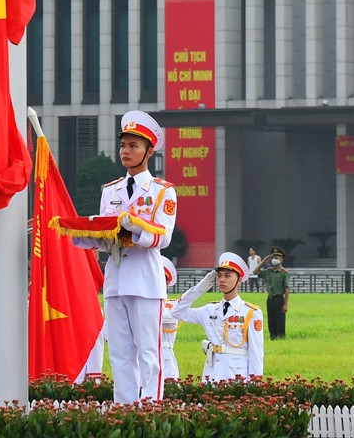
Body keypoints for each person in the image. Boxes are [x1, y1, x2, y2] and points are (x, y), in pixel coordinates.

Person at [71, 110, 177, 404]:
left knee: (148, 353)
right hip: (116, 280)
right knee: (119, 352)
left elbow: (163, 237)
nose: (126, 152)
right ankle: (124, 409)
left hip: (145, 281)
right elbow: (107, 236)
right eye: (123, 145)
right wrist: (81, 234)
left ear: (149, 150)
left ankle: (150, 409)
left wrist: (134, 226)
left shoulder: (162, 192)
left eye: (133, 146)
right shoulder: (111, 190)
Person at [168, 252, 264, 382]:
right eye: (219, 276)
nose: (222, 280)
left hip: (237, 375)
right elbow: (176, 312)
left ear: (239, 280)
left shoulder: (250, 312)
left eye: (227, 276)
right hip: (212, 374)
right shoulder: (209, 310)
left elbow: (256, 352)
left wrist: (256, 383)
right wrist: (199, 288)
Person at [255, 245, 290, 339]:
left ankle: (281, 339)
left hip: (279, 300)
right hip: (270, 300)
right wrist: (264, 261)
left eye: (277, 257)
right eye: (273, 257)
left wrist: (286, 304)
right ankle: (273, 338)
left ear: (281, 259)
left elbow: (287, 288)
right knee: (271, 322)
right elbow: (255, 272)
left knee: (280, 322)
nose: (274, 259)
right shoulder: (268, 271)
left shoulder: (284, 273)